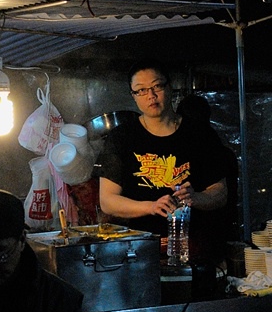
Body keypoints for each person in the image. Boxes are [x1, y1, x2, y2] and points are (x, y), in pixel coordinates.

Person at [95, 59, 229, 264]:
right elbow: (108, 201)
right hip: (139, 251)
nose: (151, 95)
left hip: (195, 249)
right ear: (133, 95)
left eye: (157, 86)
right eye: (141, 90)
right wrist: (151, 206)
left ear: (170, 86)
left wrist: (196, 198)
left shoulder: (200, 134)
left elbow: (220, 192)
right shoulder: (122, 137)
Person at [176, 93, 240, 265]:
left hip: (200, 233)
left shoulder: (198, 142)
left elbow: (222, 195)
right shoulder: (217, 143)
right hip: (220, 229)